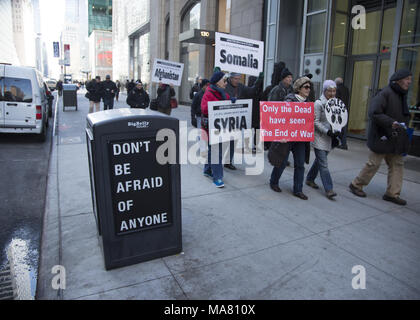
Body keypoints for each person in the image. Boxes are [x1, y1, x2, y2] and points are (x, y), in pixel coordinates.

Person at [349, 69, 412, 206]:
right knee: (374, 163)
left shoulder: (402, 95)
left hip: (396, 139)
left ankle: (392, 193)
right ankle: (356, 184)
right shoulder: (385, 93)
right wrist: (391, 122)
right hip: (383, 136)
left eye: (410, 79)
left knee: (397, 165)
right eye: (407, 79)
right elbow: (374, 113)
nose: (409, 82)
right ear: (399, 80)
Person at [269, 76, 312, 200]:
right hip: (287, 137)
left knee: (300, 164)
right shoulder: (289, 100)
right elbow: (281, 116)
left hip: (300, 139)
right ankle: (274, 181)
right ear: (299, 88)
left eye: (309, 87)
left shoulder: (308, 103)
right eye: (306, 87)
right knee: (282, 162)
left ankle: (298, 190)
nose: (308, 89)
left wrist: (311, 119)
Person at [306, 80, 340, 200]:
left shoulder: (336, 103)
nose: (332, 93)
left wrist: (337, 130)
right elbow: (316, 122)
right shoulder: (318, 103)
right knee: (324, 164)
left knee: (320, 161)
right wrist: (327, 131)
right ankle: (329, 189)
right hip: (319, 137)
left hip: (330, 138)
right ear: (324, 91)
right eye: (329, 90)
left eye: (334, 90)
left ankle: (310, 179)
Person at [201, 71, 235, 188]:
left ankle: (207, 169)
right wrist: (219, 105)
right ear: (217, 82)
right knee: (216, 152)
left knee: (213, 150)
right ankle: (217, 177)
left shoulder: (222, 92)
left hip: (219, 127)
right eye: (224, 80)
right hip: (211, 128)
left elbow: (227, 99)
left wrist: (232, 101)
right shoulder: (209, 92)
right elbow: (204, 109)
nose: (226, 83)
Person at [225, 72, 264, 166]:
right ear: (230, 78)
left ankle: (228, 161)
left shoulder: (241, 86)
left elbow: (251, 91)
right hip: (225, 117)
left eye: (238, 79)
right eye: (235, 79)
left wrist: (259, 81)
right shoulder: (225, 86)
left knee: (233, 141)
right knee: (225, 141)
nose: (237, 81)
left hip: (237, 119)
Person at [335, 77, 350, 150]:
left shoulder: (338, 89)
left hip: (339, 109)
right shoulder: (346, 89)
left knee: (340, 127)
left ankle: (343, 143)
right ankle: (343, 142)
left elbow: (337, 100)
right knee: (343, 126)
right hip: (345, 109)